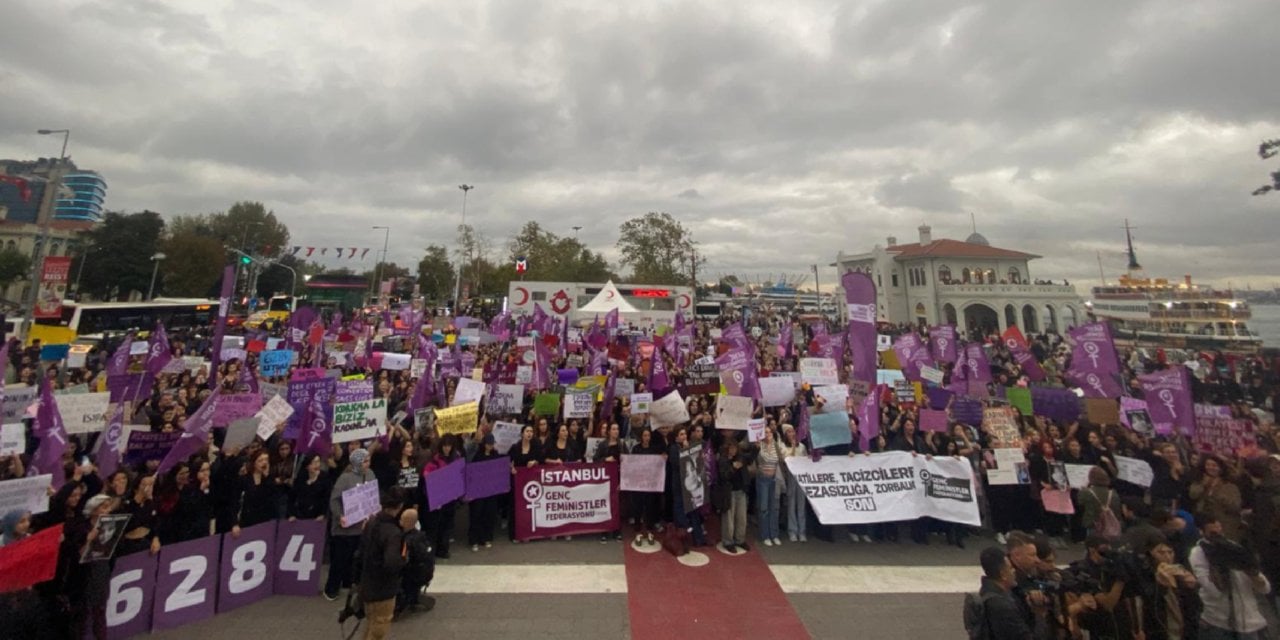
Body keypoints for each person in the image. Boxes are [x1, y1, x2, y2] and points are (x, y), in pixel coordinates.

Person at [1189, 513, 1271, 639]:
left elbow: (1265, 588)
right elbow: (1214, 591)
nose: (1218, 533)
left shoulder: (1234, 547)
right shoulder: (1198, 553)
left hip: (1249, 621)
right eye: (1213, 531)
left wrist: (1252, 573)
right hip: (1218, 622)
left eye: (1219, 528)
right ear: (1202, 531)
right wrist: (1218, 566)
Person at [358, 489, 407, 640]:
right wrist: (404, 560)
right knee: (379, 628)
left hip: (367, 583)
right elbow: (392, 562)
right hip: (383, 588)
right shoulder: (393, 532)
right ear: (400, 507)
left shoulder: (371, 523)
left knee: (370, 624)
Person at [326, 448, 372, 601]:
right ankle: (331, 588)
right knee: (340, 559)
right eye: (364, 461)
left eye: (368, 460)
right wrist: (340, 516)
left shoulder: (370, 474)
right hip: (345, 528)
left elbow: (372, 496)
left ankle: (353, 584)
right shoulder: (345, 479)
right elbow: (334, 499)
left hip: (361, 527)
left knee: (358, 559)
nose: (367, 464)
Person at [973, 545, 1036, 640]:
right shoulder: (1002, 606)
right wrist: (1039, 614)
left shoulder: (985, 594)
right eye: (1010, 568)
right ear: (1003, 574)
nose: (1014, 571)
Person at [395, 507, 435, 618]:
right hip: (425, 573)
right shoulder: (422, 536)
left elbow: (402, 561)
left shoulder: (407, 541)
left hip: (411, 576)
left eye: (401, 520)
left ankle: (403, 602)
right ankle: (413, 597)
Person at [714, 438, 750, 552]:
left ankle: (740, 539)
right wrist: (733, 468)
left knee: (742, 517)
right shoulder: (723, 460)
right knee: (728, 519)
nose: (733, 451)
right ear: (727, 449)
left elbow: (751, 456)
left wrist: (757, 447)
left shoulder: (741, 457)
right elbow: (723, 476)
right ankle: (728, 541)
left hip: (740, 491)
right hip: (728, 492)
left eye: (735, 448)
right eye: (731, 449)